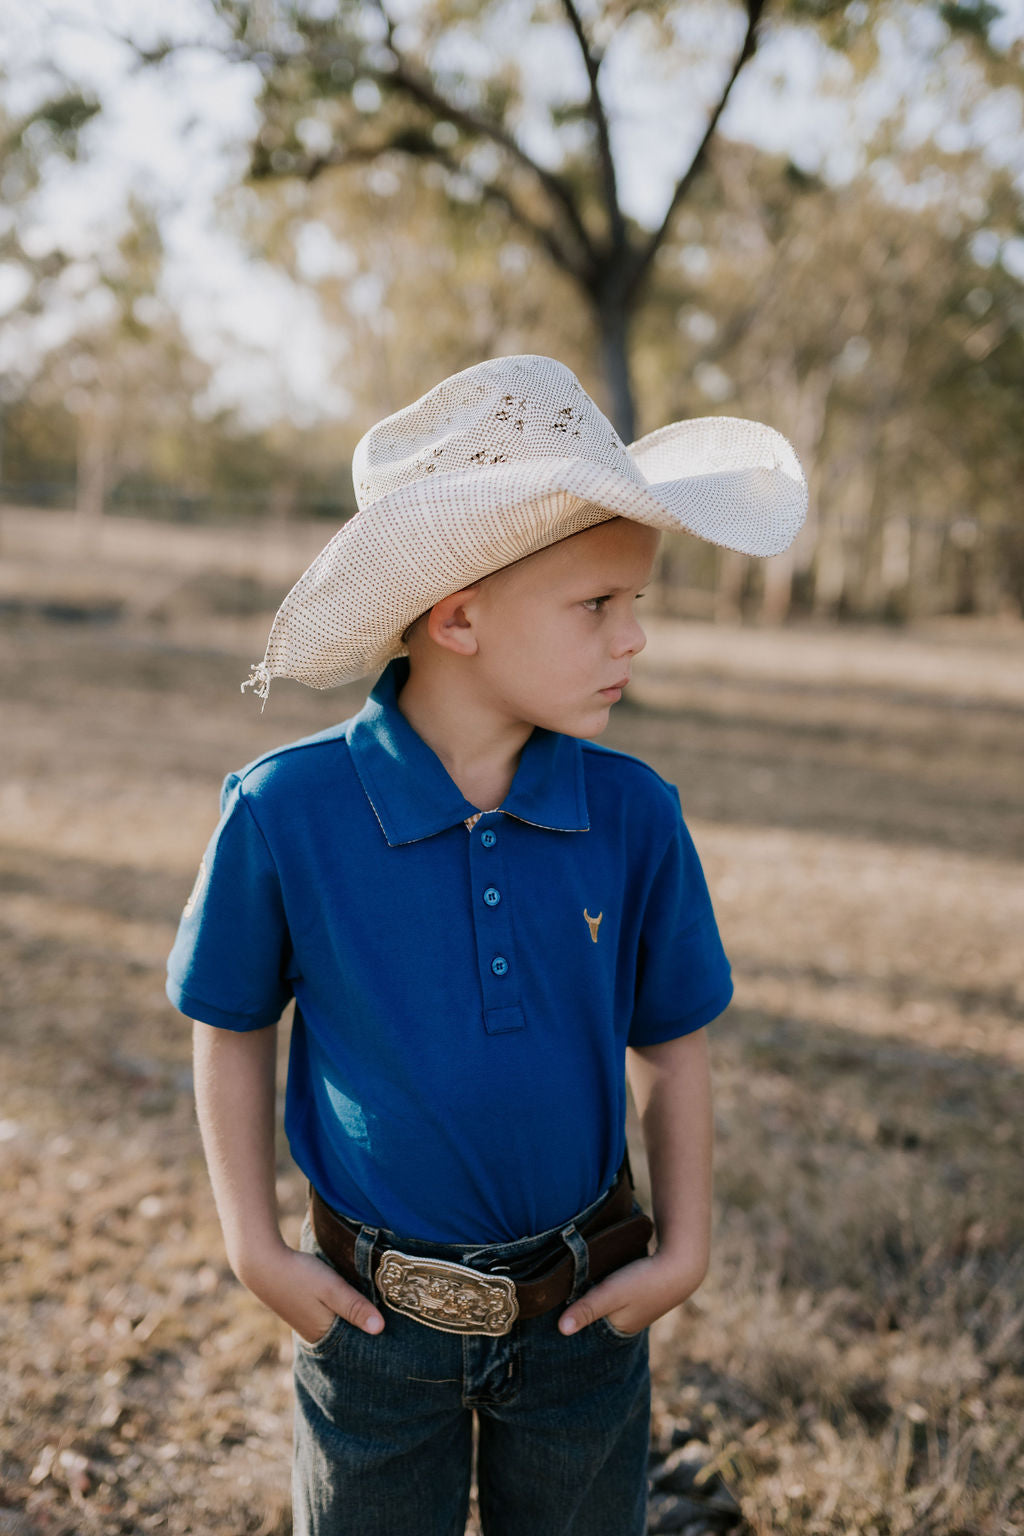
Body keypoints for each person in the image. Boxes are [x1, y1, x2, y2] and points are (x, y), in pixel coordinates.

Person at [166, 354, 806, 1536]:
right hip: (369, 1319)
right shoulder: (285, 811)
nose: (633, 640)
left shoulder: (634, 812)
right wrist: (255, 1246)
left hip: (585, 1311)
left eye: (638, 605)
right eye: (596, 607)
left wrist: (687, 1248)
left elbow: (674, 1035)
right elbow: (231, 1022)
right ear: (457, 615)